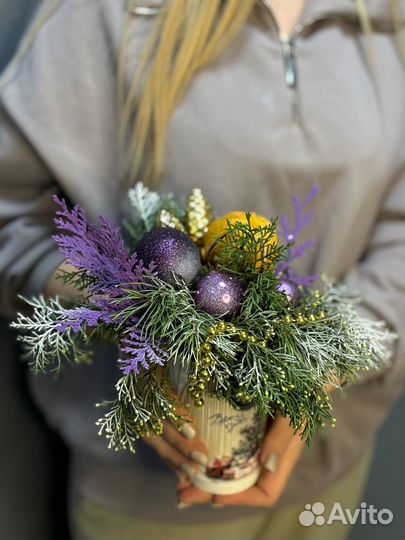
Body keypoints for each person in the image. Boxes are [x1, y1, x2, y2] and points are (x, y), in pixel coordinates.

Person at [0, 0, 404, 539]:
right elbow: (13, 212)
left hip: (330, 477)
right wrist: (134, 316)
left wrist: (331, 364)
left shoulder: (385, 15)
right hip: (149, 501)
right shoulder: (105, 13)